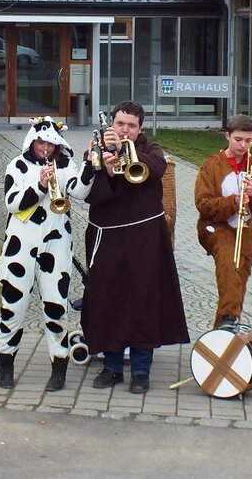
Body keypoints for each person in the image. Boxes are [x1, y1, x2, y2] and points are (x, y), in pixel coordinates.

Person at [81, 100, 188, 394]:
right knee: (109, 299)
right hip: (108, 237)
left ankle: (141, 371)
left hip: (144, 238)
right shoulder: (97, 148)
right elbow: (89, 192)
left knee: (144, 300)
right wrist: (106, 169)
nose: (124, 130)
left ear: (139, 128)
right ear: (112, 123)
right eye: (120, 124)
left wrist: (128, 152)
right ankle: (112, 367)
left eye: (131, 126)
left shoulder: (151, 149)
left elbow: (156, 169)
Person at [0, 117, 94, 391]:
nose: (45, 148)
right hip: (20, 248)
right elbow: (12, 203)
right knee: (13, 308)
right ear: (32, 141)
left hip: (56, 246)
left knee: (56, 308)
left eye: (51, 144)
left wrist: (89, 166)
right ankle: (6, 365)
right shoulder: (17, 165)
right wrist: (39, 186)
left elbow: (80, 191)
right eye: (41, 143)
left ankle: (58, 367)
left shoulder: (65, 165)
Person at [194, 114, 252, 329]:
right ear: (227, 136)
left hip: (245, 227)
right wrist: (234, 202)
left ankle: (224, 328)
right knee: (229, 263)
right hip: (215, 227)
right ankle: (229, 319)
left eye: (248, 140)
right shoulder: (212, 165)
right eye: (238, 139)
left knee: (238, 279)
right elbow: (203, 203)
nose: (243, 146)